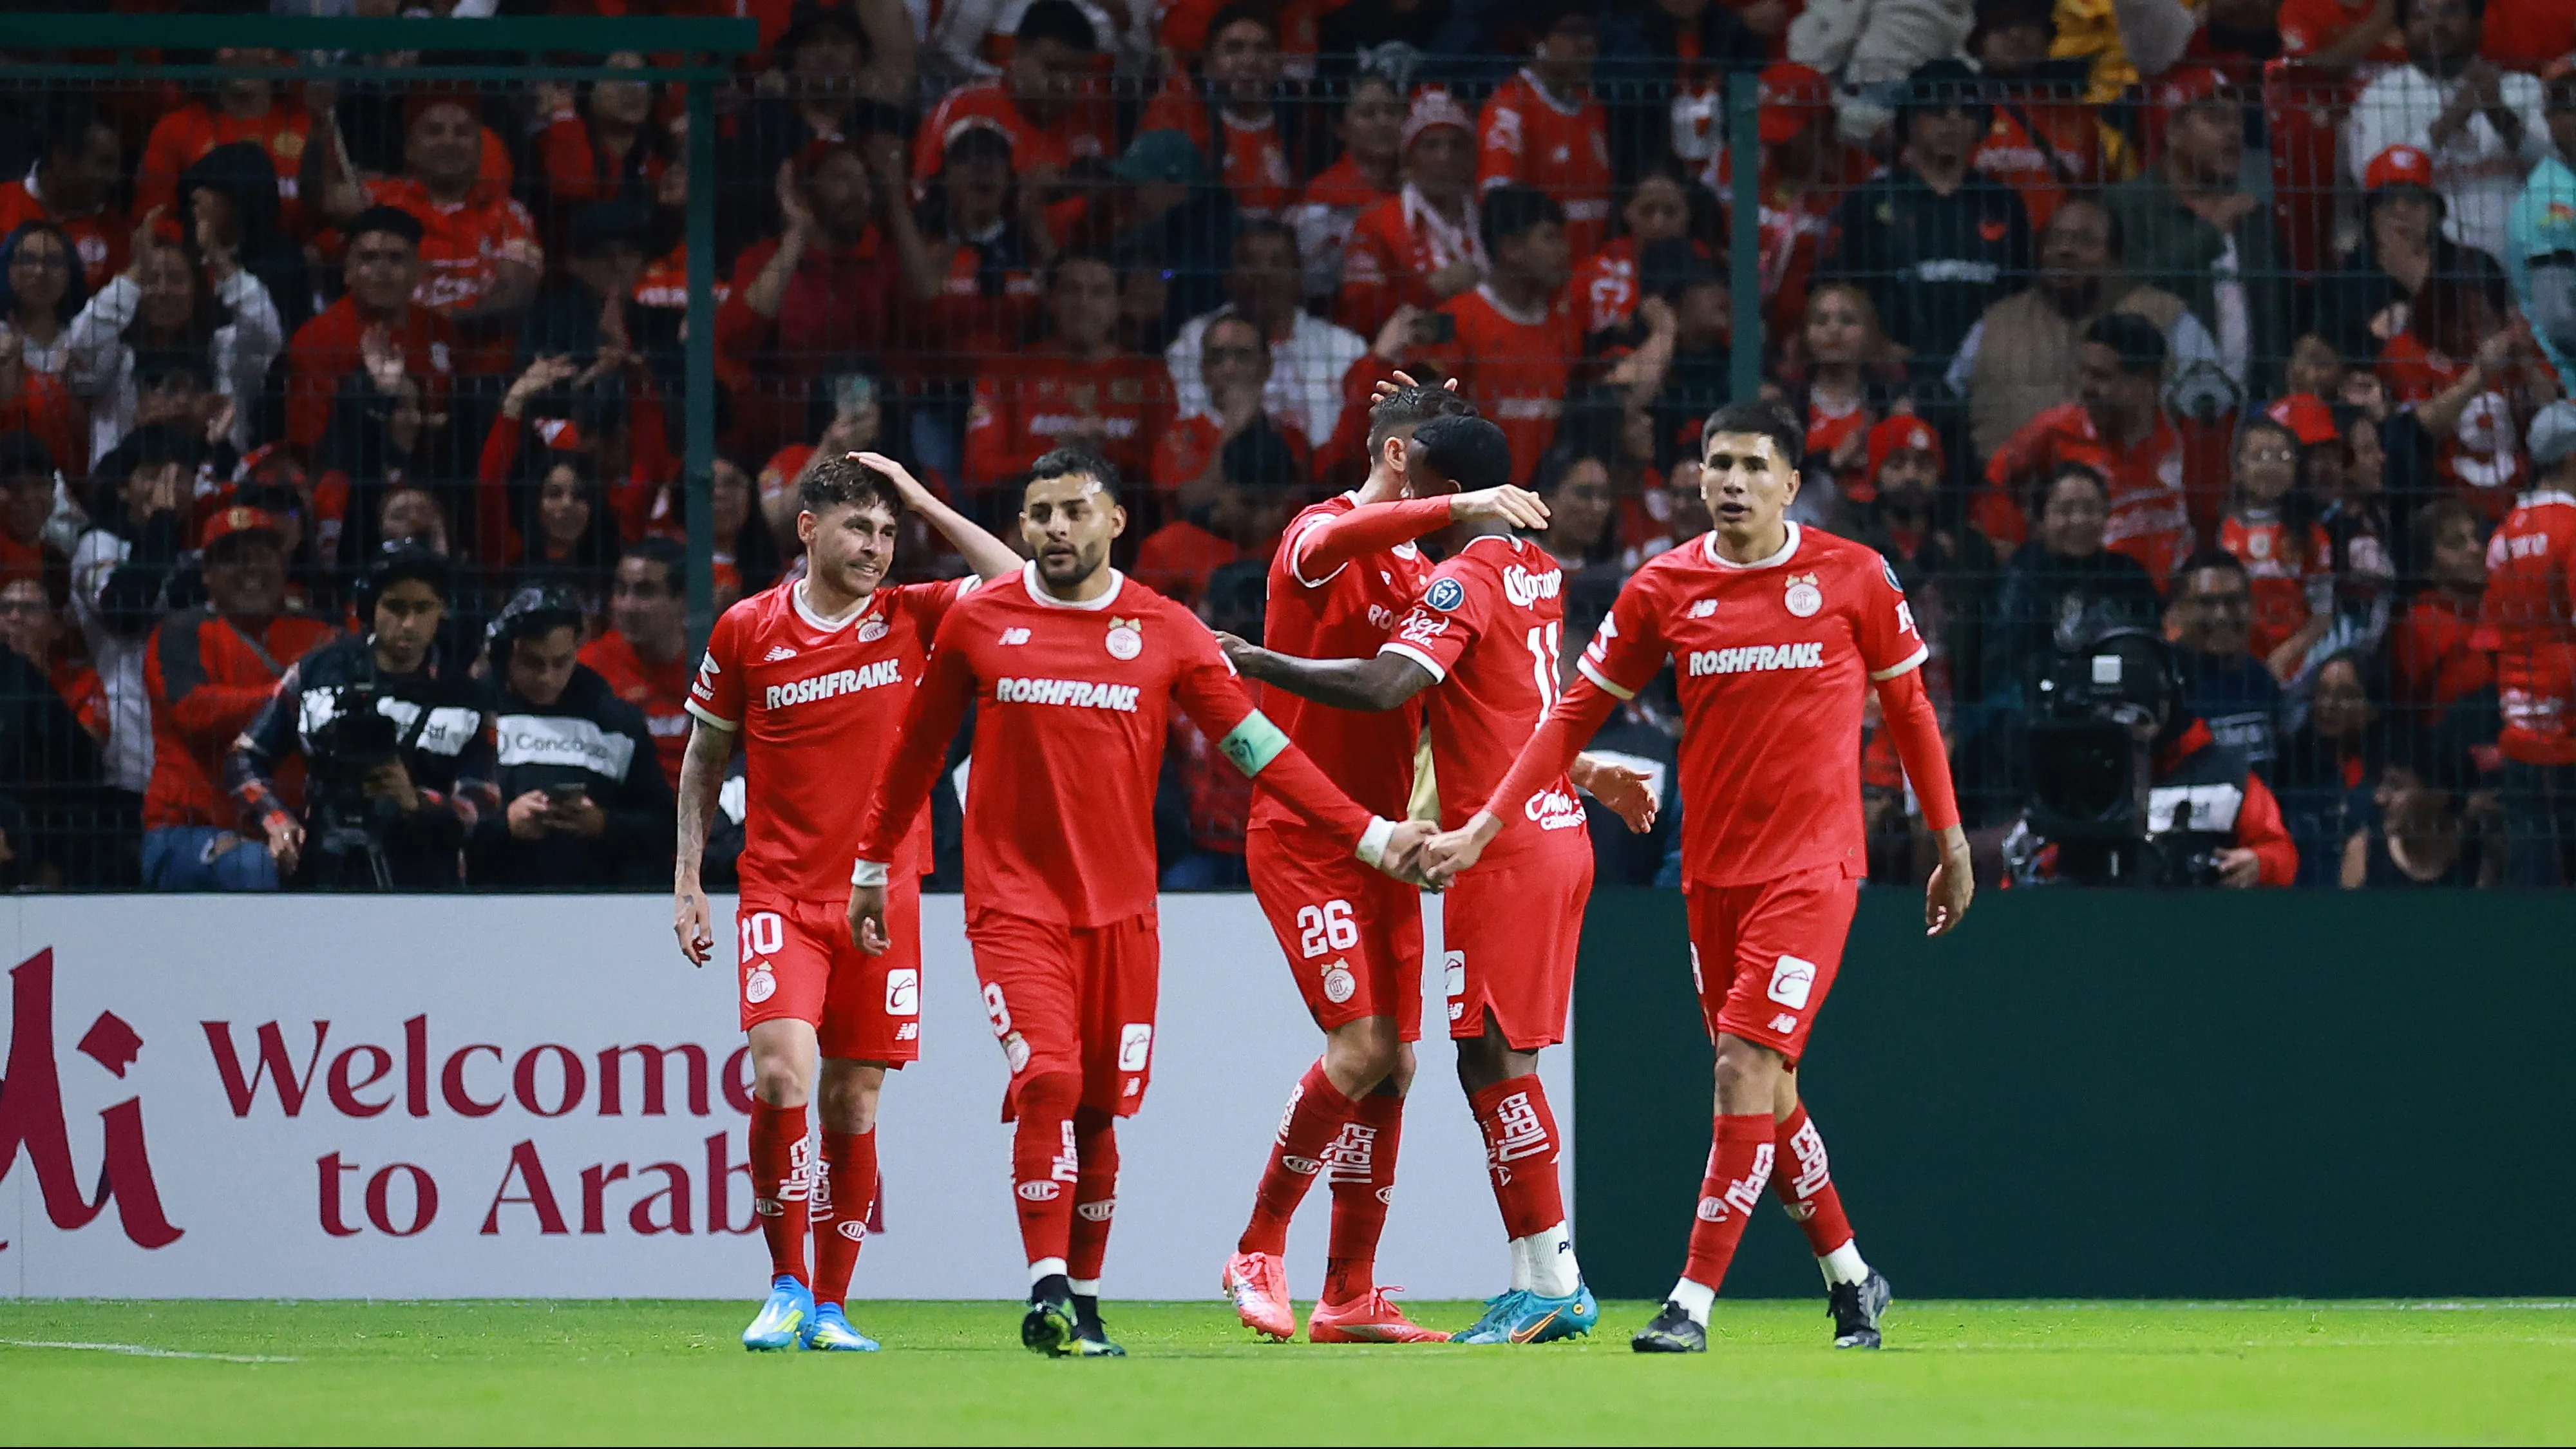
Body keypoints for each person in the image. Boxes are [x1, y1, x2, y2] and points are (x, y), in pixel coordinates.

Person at [845, 447, 1433, 1358]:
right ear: (1022, 526)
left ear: (1115, 521)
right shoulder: (980, 621)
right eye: (1040, 513)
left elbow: (1259, 749)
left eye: (1075, 510)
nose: (1056, 528)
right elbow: (915, 753)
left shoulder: (1165, 629)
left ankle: (1084, 1305)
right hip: (1013, 907)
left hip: (1123, 914)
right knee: (1048, 1078)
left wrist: (1370, 836)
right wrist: (871, 865)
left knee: (1099, 1111)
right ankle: (1046, 1289)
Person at [1416, 400, 1971, 1354]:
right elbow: (1569, 716)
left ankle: (1690, 1302)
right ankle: (1852, 1277)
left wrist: (1949, 844)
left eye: (1753, 465)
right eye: (1719, 464)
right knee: (1770, 1088)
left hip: (1815, 868)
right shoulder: (1663, 586)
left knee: (1740, 1066)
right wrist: (1480, 827)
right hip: (1712, 876)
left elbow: (1911, 708)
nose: (1733, 482)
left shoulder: (1853, 575)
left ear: (1791, 483)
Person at [1221, 413, 1658, 1347]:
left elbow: (1397, 687)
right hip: (1324, 835)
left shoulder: (1447, 575)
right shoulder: (1334, 535)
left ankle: (1534, 1279)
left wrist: (1259, 665)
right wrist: (1585, 772)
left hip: (1453, 842)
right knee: (1389, 1055)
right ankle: (1293, 1265)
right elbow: (1511, 701)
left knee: (1459, 1060)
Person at [673, 451, 1022, 1352]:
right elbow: (705, 758)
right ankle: (785, 1285)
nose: (876, 546)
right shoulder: (747, 629)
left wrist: (923, 499)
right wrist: (688, 879)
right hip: (780, 893)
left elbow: (1015, 584)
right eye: (859, 527)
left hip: (883, 900)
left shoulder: (915, 616)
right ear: (809, 529)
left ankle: (830, 1306)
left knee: (853, 1104)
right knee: (781, 1076)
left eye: (887, 531)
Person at [1207, 380, 1481, 1346]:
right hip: (1302, 835)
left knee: (1396, 1065)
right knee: (1360, 1047)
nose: (1461, 497)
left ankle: (1349, 1293)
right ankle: (1256, 1247)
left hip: (1388, 847)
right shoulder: (1316, 535)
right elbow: (1336, 540)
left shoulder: (1421, 574)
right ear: (1401, 459)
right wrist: (1454, 505)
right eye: (1449, 476)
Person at [227, 547, 497, 893]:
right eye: (395, 608)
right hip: (325, 862)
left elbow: (483, 803)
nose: (409, 624)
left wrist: (416, 801)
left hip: (424, 880)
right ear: (370, 609)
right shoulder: (316, 671)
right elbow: (245, 756)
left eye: (423, 608)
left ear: (442, 609)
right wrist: (276, 820)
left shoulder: (470, 698)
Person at [140, 507, 336, 891]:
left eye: (263, 556)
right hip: (189, 829)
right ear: (207, 574)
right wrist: (288, 696)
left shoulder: (317, 632)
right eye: (234, 559)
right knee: (252, 866)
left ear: (283, 565)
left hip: (294, 828)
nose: (251, 569)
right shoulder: (181, 630)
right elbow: (193, 712)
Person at [1817, 59, 2033, 401]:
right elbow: (1835, 288)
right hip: (1893, 382)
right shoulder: (1869, 202)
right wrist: (1875, 345)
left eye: (1967, 111)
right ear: (1910, 119)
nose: (1953, 120)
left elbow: (2025, 292)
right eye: (1937, 108)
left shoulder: (2004, 203)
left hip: (1989, 381)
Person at [1954, 194, 2211, 462]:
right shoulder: (1998, 323)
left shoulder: (2165, 316)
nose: (2065, 249)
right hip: (2013, 485)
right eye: (2055, 240)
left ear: (2116, 259)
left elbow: (2212, 403)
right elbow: (1950, 398)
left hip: (2133, 484)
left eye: (2085, 241)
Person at [319, 91, 544, 380]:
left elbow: (516, 294)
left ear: (480, 149)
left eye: (462, 133)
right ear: (410, 150)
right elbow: (327, 200)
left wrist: (436, 326)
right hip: (386, 363)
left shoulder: (509, 215)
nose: (448, 141)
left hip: (478, 373)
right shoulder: (379, 199)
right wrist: (320, 125)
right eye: (433, 131)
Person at [2103, 68, 2288, 402]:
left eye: (2238, 121)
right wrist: (2212, 230)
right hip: (2159, 402)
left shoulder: (2251, 213)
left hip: (2252, 407)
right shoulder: (2126, 206)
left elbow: (2276, 318)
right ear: (2173, 132)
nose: (2234, 132)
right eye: (2216, 119)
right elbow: (2134, 295)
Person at [1976, 312, 2196, 586]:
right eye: (2084, 373)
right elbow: (1998, 480)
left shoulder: (2184, 437)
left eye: (2101, 377)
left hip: (2175, 598)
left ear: (2147, 382)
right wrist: (2014, 548)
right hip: (2086, 596)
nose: (2086, 388)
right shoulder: (2054, 431)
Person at [473, 586, 672, 889]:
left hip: (594, 899)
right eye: (532, 663)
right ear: (504, 655)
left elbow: (663, 828)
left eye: (561, 662)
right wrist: (506, 824)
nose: (547, 677)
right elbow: (444, 824)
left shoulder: (617, 722)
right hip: (489, 898)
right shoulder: (473, 713)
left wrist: (602, 824)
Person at [63, 207, 282, 466]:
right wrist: (136, 269)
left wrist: (217, 256)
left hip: (216, 485)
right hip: (122, 485)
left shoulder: (226, 351)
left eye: (177, 280)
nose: (163, 291)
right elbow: (82, 344)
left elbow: (266, 332)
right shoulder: (116, 356)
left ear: (196, 289)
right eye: (150, 280)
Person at [2345, 0, 2552, 265]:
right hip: (2431, 269)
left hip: (2528, 259)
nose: (2436, 24)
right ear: (2402, 31)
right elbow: (2372, 178)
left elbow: (2557, 170)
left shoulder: (2522, 88)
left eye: (2450, 11)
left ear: (2478, 24)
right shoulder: (2381, 96)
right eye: (2420, 15)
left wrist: (2502, 117)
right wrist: (2447, 123)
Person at [965, 254, 1174, 497]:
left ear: (1119, 303)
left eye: (1099, 293)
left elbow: (1169, 476)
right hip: (1028, 511)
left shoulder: (1150, 376)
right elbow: (977, 473)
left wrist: (1108, 451)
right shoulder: (1005, 372)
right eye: (1072, 291)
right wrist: (1059, 453)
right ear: (1050, 299)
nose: (1084, 303)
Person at [2477, 401, 2576, 885]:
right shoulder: (2572, 528)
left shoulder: (2505, 532)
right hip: (2569, 731)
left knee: (2531, 866)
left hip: (2519, 722)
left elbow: (2492, 636)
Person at [1421, 185, 1582, 481]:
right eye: (1550, 238)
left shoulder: (1566, 324)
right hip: (1475, 492)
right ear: (1511, 249)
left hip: (1545, 494)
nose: (1565, 251)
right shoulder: (1453, 317)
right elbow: (1427, 415)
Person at [1170, 222, 1370, 451]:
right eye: (1250, 262)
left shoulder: (1345, 348)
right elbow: (1184, 428)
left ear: (1299, 276)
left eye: (1278, 262)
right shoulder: (1193, 342)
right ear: (1229, 276)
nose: (1264, 274)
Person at [283, 206, 455, 469]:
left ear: (418, 271)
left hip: (433, 474)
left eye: (396, 258)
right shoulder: (316, 340)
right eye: (368, 258)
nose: (382, 270)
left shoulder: (439, 329)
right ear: (348, 271)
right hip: (350, 477)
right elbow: (310, 449)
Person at [1336, 88, 1485, 342]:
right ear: (1409, 157)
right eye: (1430, 145)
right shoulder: (1378, 221)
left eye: (1456, 145)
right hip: (1414, 357)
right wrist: (1430, 290)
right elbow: (1357, 315)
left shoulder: (1490, 216)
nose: (1445, 157)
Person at [1475, 4, 1613, 260]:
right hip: (1541, 274)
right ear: (1536, 40)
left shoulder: (1593, 107)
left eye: (1590, 32)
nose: (1587, 44)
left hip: (1591, 271)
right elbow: (1500, 205)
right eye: (1572, 32)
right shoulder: (1510, 107)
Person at [1150, 313, 1313, 511]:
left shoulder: (1291, 437)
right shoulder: (1179, 436)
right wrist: (1232, 428)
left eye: (1243, 356)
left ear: (1266, 367)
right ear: (1204, 370)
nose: (1229, 368)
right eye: (1217, 358)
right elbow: (1189, 502)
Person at [2216, 417, 2334, 678]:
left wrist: (2285, 656)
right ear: (2237, 470)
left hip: (2295, 669)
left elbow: (2323, 614)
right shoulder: (2222, 530)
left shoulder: (2311, 535)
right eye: (2259, 456)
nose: (2271, 467)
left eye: (2282, 457)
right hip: (2234, 665)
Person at [582, 537, 693, 789]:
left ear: (683, 599)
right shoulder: (590, 665)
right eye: (621, 590)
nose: (628, 606)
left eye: (645, 592)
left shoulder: (713, 665)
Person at [1287, 68, 1403, 308]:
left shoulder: (1418, 185)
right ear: (1341, 128)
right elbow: (1316, 281)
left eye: (1392, 112)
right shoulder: (1325, 192)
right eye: (1368, 114)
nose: (1383, 122)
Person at [2168, 551, 2285, 779]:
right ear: (2179, 610)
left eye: (2233, 602)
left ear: (2251, 607)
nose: (2222, 615)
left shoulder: (2262, 681)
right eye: (2206, 603)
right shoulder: (2164, 681)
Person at [0, 97, 126, 294]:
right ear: (63, 159)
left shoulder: (115, 229)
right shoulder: (4, 201)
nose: (114, 177)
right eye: (104, 163)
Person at [2503, 71, 2576, 396]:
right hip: (2568, 388)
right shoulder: (2552, 198)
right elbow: (2561, 323)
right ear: (2550, 119)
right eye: (2571, 109)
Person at [2389, 496, 2494, 718]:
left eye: (2476, 538)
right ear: (2427, 567)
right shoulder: (2418, 624)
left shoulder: (2501, 612)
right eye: (2456, 543)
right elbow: (2407, 712)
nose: (2476, 549)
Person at [1, 221, 87, 380]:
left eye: (54, 261)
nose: (40, 271)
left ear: (70, 273)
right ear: (7, 269)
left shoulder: (85, 336)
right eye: (27, 259)